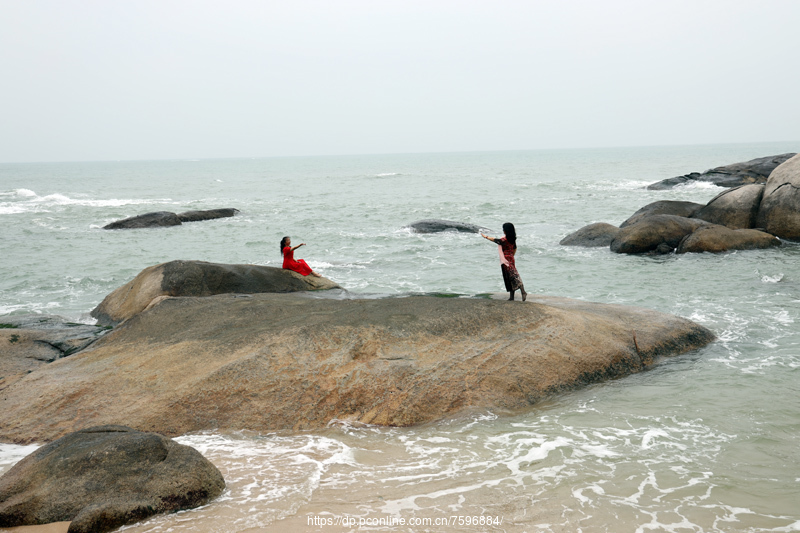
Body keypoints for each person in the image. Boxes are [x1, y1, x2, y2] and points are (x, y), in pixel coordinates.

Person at [480, 222, 527, 301]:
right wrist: (512, 255)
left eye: (504, 229)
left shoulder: (504, 239)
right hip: (511, 258)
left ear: (506, 230)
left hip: (505, 259)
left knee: (512, 276)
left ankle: (523, 292)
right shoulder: (512, 239)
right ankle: (512, 296)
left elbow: (496, 240)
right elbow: (515, 248)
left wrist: (486, 237)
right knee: (511, 275)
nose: (503, 231)